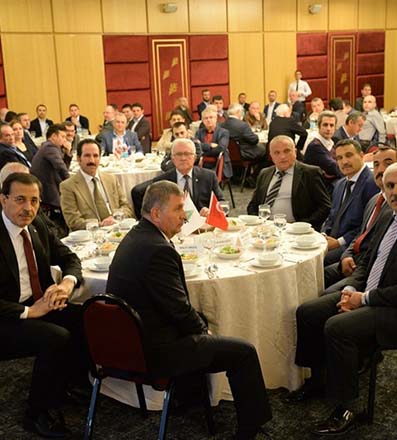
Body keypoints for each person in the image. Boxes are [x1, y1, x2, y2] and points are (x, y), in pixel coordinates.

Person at [292, 161, 397, 436]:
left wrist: (364, 299)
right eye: (390, 186)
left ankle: (345, 407)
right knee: (308, 311)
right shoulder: (389, 214)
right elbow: (367, 261)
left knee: (337, 327)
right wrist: (350, 289)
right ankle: (318, 381)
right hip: (375, 293)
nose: (396, 191)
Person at [106, 180, 273, 439]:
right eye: (178, 209)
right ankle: (251, 428)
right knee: (244, 352)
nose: (185, 216)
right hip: (154, 351)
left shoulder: (137, 236)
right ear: (156, 213)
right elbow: (179, 310)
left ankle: (188, 398)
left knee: (202, 319)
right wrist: (204, 333)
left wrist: (199, 326)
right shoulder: (158, 250)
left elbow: (172, 307)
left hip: (130, 340)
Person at [0, 172, 85, 438]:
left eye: (34, 201)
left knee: (85, 316)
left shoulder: (37, 224)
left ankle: (64, 384)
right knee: (55, 337)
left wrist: (67, 284)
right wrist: (29, 311)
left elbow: (70, 258)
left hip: (36, 303)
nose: (28, 208)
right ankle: (36, 413)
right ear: (3, 200)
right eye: (20, 200)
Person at [324, 146, 397, 292]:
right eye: (376, 164)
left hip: (366, 267)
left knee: (323, 290)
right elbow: (362, 233)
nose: (381, 169)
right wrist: (346, 255)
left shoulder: (396, 207)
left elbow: (379, 251)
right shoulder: (374, 200)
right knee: (315, 275)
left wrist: (353, 286)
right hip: (355, 255)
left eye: (388, 163)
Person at [247, 135, 331, 229]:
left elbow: (325, 206)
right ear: (271, 156)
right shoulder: (264, 173)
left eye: (287, 151)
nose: (282, 156)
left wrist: (302, 226)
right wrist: (258, 224)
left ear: (295, 152)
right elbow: (253, 205)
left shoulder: (310, 173)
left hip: (296, 230)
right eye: (277, 153)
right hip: (266, 228)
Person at [321, 140, 379, 266]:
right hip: (331, 241)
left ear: (361, 155)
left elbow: (368, 226)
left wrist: (339, 242)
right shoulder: (340, 184)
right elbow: (332, 216)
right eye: (339, 158)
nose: (344, 162)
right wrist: (324, 234)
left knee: (317, 261)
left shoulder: (372, 183)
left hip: (352, 246)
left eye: (349, 155)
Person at [60, 139, 134, 230]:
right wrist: (100, 225)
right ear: (78, 159)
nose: (92, 160)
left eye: (95, 156)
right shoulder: (68, 186)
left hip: (116, 229)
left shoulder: (111, 179)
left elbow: (127, 207)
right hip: (90, 234)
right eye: (87, 156)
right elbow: (73, 221)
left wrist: (115, 218)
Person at [152, 138, 224, 216]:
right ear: (172, 158)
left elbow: (221, 203)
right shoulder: (162, 181)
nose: (183, 158)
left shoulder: (208, 177)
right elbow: (156, 211)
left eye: (187, 154)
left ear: (194, 157)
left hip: (203, 221)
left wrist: (211, 211)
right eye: (179, 154)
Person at [31, 124, 72, 236]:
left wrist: (68, 153)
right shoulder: (50, 148)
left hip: (49, 185)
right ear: (53, 136)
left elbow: (63, 167)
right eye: (62, 136)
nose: (65, 140)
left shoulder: (50, 147)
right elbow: (61, 168)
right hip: (48, 191)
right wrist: (71, 184)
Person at [303, 111, 343, 192]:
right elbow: (334, 168)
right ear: (319, 126)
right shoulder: (315, 146)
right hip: (317, 190)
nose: (328, 129)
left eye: (331, 125)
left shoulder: (331, 143)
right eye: (325, 125)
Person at [195, 106, 232, 178]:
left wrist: (203, 152)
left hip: (218, 163)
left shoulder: (224, 132)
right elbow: (196, 147)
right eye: (206, 118)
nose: (208, 120)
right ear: (202, 120)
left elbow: (221, 148)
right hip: (201, 163)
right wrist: (209, 146)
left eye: (211, 117)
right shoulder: (199, 132)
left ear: (216, 119)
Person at [0, 124, 32, 188]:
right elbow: (20, 168)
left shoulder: (11, 148)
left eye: (12, 134)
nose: (11, 138)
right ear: (0, 138)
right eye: (7, 135)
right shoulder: (5, 152)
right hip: (18, 182)